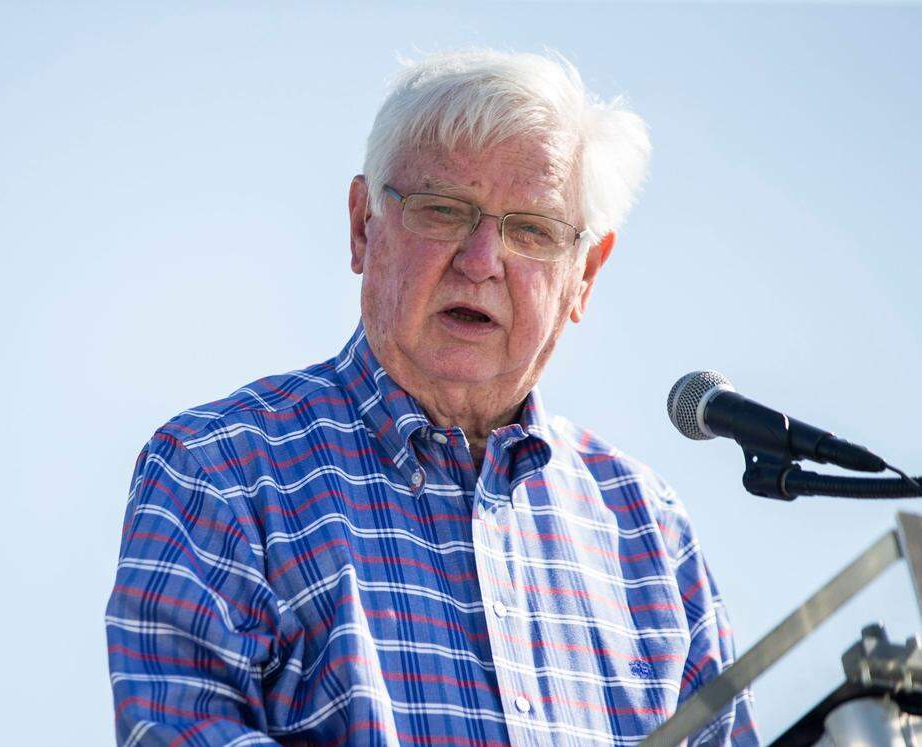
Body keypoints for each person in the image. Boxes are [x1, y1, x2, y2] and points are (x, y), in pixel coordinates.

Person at [105, 49, 758, 746]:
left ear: (585, 277)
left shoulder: (647, 529)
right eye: (443, 212)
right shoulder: (221, 469)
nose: (481, 262)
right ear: (363, 225)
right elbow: (181, 731)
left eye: (530, 230)